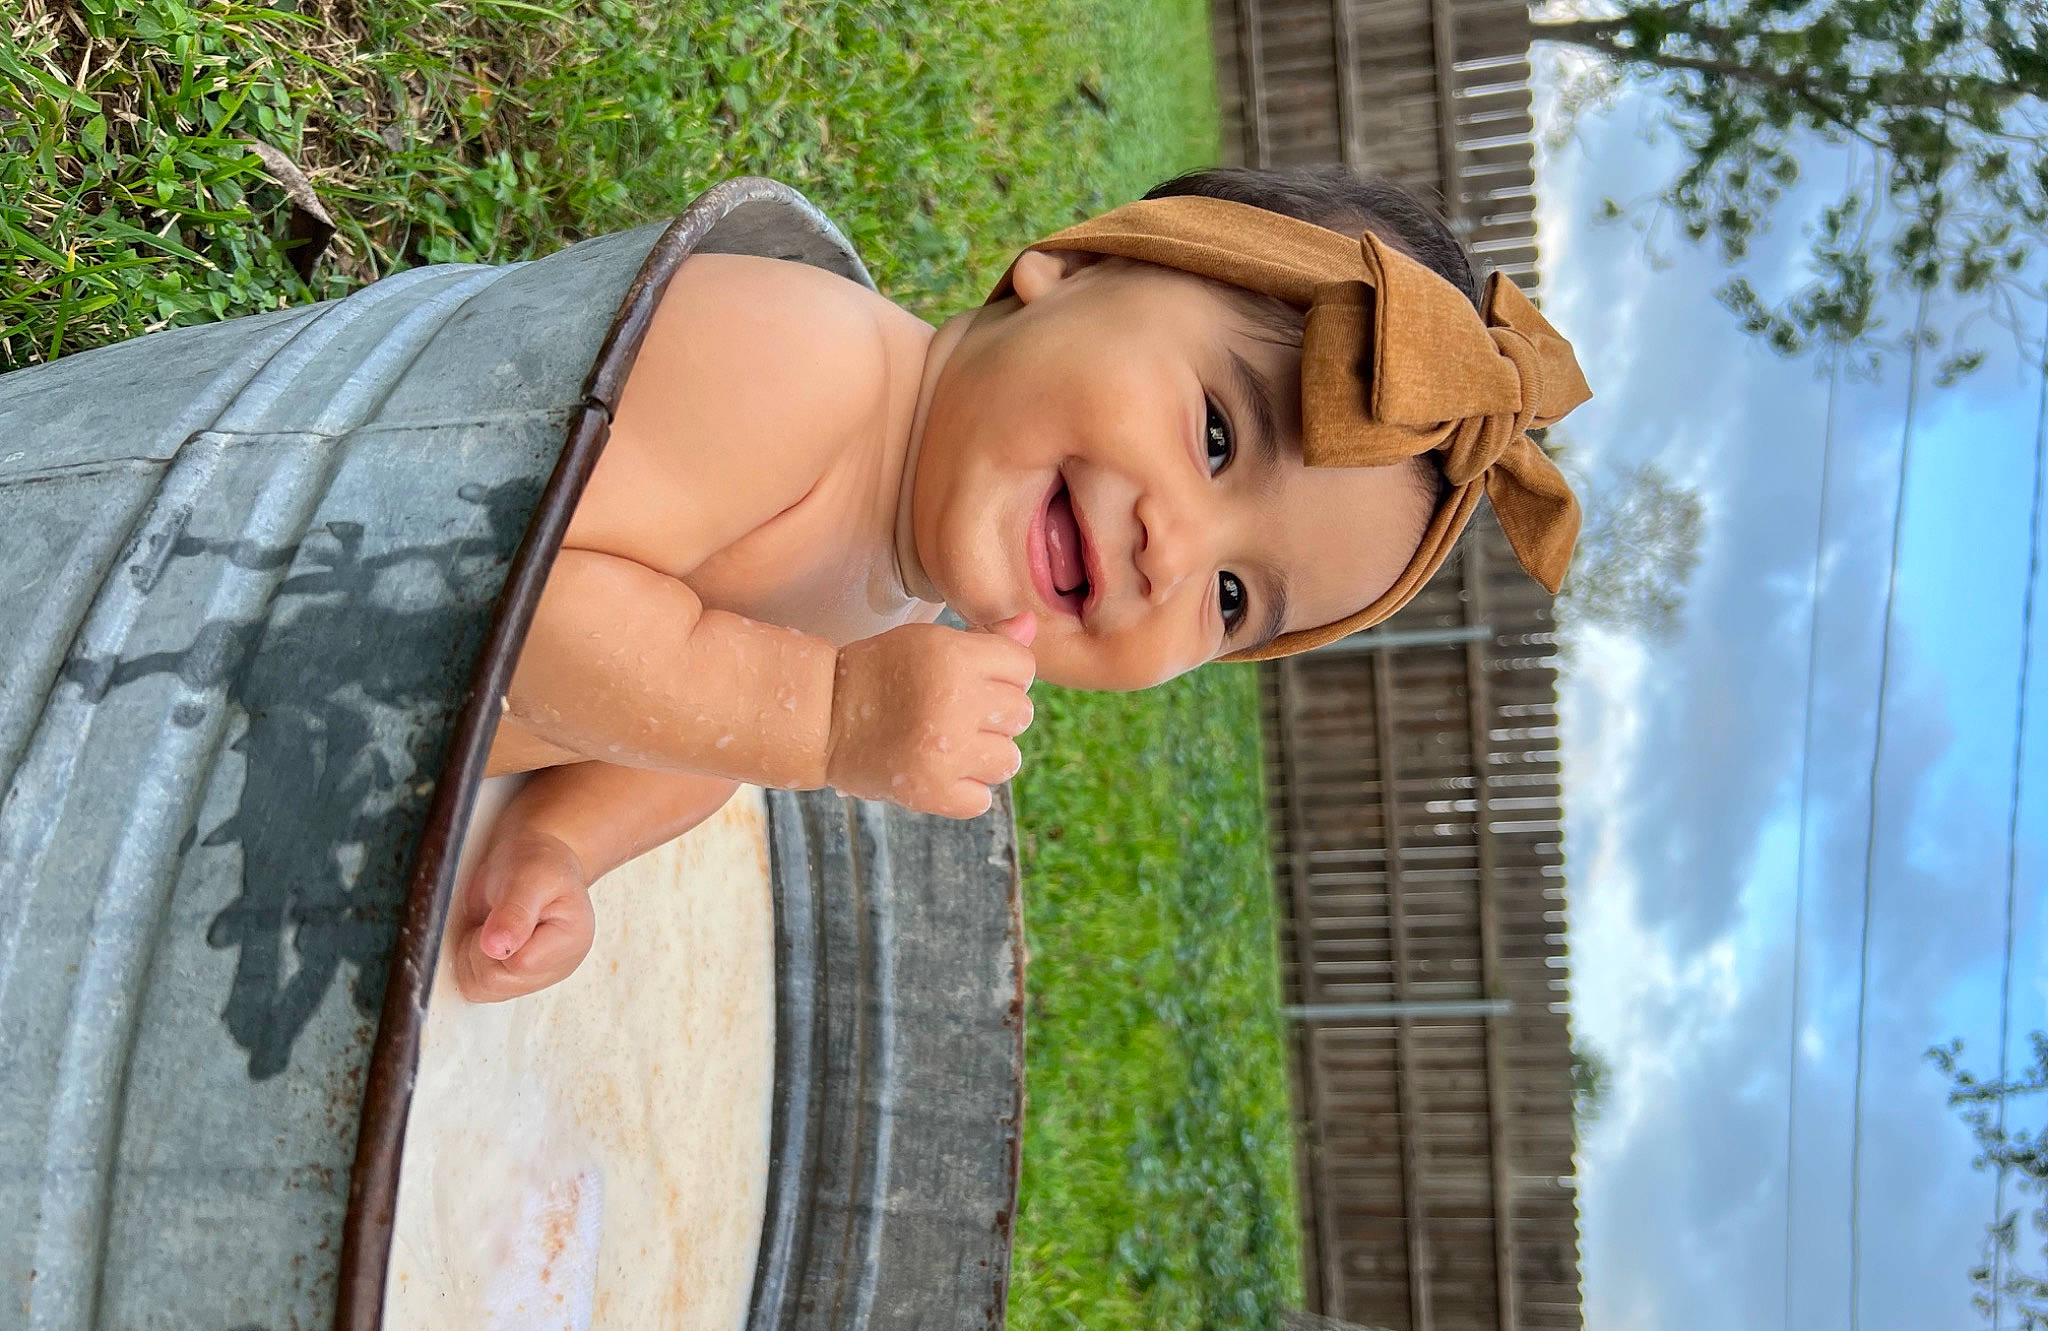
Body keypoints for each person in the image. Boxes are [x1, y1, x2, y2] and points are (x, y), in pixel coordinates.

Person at [452, 164, 1590, 1003]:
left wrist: (563, 843)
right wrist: (818, 717)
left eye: (1233, 599)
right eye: (1211, 435)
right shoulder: (798, 364)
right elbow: (488, 592)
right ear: (1073, 268)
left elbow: (680, 741)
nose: (1174, 550)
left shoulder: (892, 602)